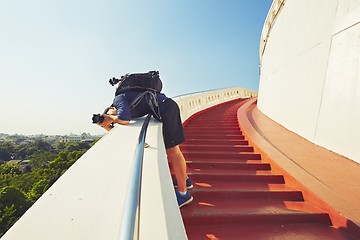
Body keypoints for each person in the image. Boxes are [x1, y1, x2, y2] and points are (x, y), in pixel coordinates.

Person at [97, 90, 193, 208]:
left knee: (173, 152)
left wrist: (110, 117)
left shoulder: (117, 100)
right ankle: (185, 179)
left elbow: (124, 119)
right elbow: (125, 128)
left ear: (110, 108)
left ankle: (184, 194)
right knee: (172, 151)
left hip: (167, 109)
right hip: (166, 108)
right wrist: (108, 125)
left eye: (111, 113)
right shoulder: (126, 103)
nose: (113, 116)